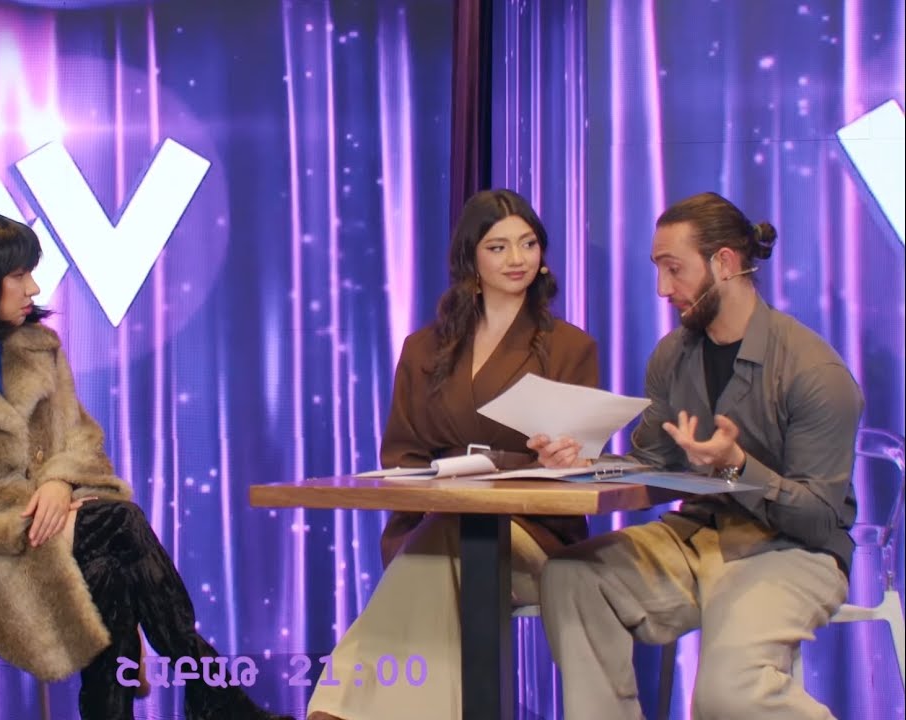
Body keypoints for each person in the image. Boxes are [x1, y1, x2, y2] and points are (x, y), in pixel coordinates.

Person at [0, 209, 289, 720]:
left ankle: (176, 698)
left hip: (64, 533)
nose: (34, 288)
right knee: (118, 524)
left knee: (110, 568)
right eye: (19, 274)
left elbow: (81, 440)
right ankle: (210, 690)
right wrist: (23, 509)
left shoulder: (39, 347)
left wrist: (60, 483)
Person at [529, 191, 862, 719]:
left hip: (791, 551)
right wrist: (583, 465)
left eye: (674, 269)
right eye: (658, 269)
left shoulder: (814, 373)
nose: (663, 289)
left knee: (726, 696)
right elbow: (652, 461)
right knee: (572, 577)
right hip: (697, 535)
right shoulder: (673, 355)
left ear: (724, 263)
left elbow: (820, 520)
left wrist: (736, 465)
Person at [306, 189, 600, 720]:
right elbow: (402, 455)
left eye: (528, 244)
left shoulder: (569, 347)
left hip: (532, 535)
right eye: (498, 247)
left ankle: (336, 709)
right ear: (471, 258)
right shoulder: (424, 349)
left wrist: (564, 460)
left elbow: (582, 458)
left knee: (455, 532)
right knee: (447, 537)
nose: (516, 259)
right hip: (435, 524)